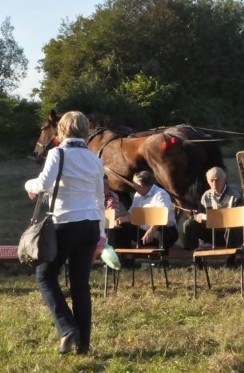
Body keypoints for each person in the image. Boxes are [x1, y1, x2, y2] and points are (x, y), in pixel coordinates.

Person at [24, 111, 104, 355]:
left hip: (64, 222)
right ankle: (83, 345)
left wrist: (28, 185)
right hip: (90, 223)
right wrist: (102, 235)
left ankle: (67, 328)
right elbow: (100, 199)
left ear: (61, 130)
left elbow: (43, 184)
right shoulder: (94, 159)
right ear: (86, 131)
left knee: (45, 277)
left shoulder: (57, 153)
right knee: (80, 284)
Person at [113, 170, 179, 251]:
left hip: (163, 231)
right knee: (121, 228)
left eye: (135, 184)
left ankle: (162, 259)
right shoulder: (138, 195)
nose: (134, 186)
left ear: (141, 185)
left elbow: (163, 215)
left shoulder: (160, 194)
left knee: (162, 229)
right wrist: (122, 220)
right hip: (143, 231)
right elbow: (132, 214)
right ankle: (126, 258)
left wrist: (152, 230)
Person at [182, 167, 244, 251]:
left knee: (232, 227)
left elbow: (239, 219)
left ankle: (231, 260)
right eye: (211, 180)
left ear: (224, 180)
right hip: (212, 232)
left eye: (217, 180)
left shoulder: (235, 196)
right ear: (208, 181)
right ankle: (194, 256)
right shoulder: (206, 196)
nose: (214, 184)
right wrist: (197, 217)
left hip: (230, 233)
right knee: (188, 224)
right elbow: (199, 214)